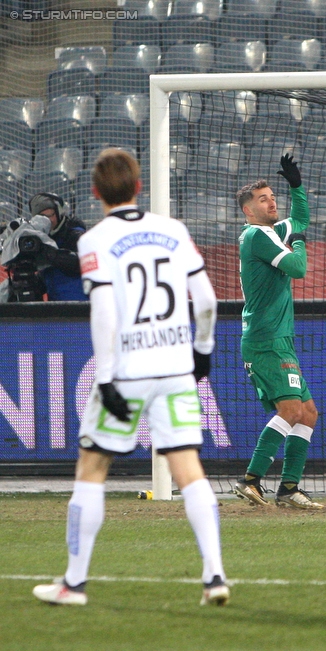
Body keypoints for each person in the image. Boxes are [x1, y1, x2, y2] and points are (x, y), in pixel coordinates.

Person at [33, 148, 228, 606]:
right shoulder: (173, 230)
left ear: (96, 193)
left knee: (92, 469)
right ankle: (215, 575)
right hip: (175, 366)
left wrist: (105, 379)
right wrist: (201, 353)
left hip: (128, 371)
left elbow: (103, 313)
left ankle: (74, 584)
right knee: (188, 469)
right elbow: (205, 300)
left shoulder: (94, 240)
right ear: (139, 186)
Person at [232, 154, 323, 510]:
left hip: (278, 339)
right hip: (266, 339)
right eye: (263, 199)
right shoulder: (256, 236)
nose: (271, 201)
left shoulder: (269, 232)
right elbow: (298, 268)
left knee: (308, 411)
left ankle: (288, 488)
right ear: (248, 211)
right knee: (290, 410)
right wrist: (298, 240)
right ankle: (250, 480)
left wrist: (297, 186)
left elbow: (299, 219)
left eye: (272, 196)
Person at [30, 192, 88, 301]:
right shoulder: (41, 239)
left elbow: (82, 263)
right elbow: (48, 276)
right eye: (43, 217)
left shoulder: (75, 233)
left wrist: (52, 255)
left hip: (80, 307)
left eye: (51, 214)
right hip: (56, 308)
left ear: (58, 213)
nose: (49, 220)